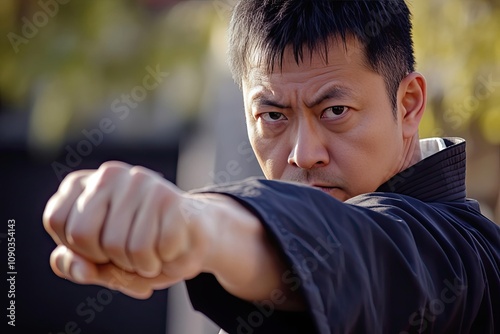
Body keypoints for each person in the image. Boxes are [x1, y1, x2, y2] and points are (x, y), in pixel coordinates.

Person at [43, 1, 499, 333]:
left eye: (335, 110)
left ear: (409, 103)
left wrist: (200, 226)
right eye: (273, 117)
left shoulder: (464, 258)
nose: (303, 154)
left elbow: (362, 250)